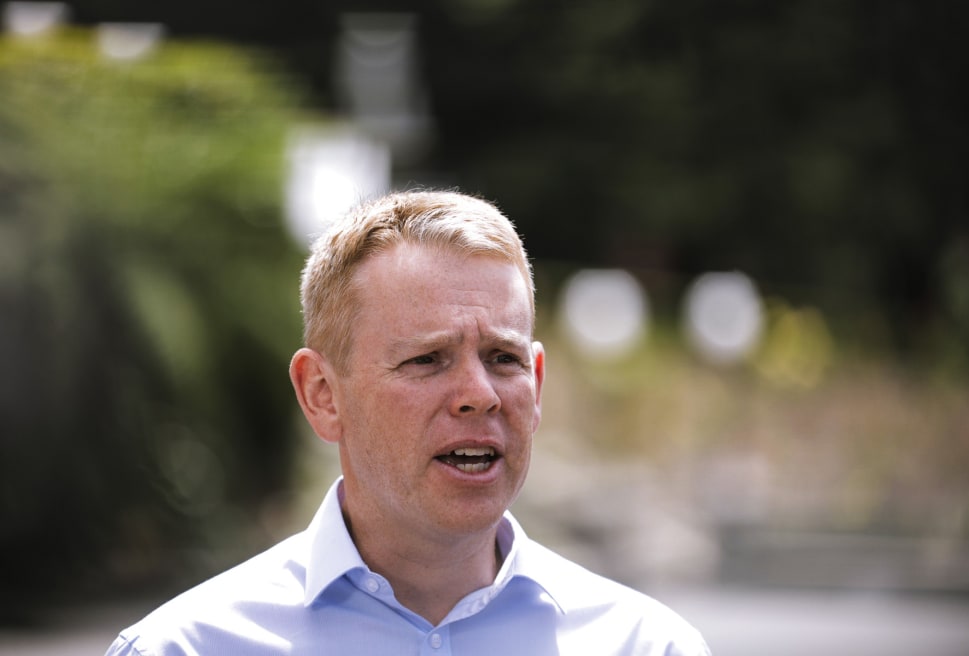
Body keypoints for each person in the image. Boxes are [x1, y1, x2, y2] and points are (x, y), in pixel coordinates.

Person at [106, 190, 710, 655]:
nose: (480, 395)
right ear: (321, 394)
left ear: (539, 382)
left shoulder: (645, 645)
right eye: (427, 359)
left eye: (504, 358)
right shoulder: (189, 648)